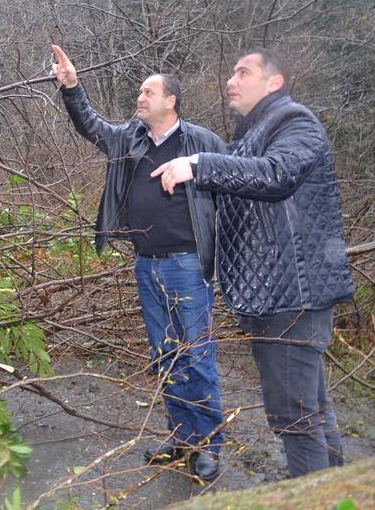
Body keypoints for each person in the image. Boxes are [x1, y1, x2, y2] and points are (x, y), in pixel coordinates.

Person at [152, 48, 353, 478]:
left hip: (291, 297)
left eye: (244, 72)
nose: (231, 80)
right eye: (232, 72)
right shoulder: (253, 133)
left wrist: (199, 163)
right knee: (311, 409)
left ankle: (312, 497)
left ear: (274, 81)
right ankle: (338, 490)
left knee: (295, 420)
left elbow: (275, 175)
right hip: (275, 296)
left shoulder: (295, 122)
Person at [50, 44, 226, 481]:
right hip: (146, 263)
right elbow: (90, 125)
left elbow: (232, 193)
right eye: (140, 92)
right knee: (166, 355)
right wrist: (72, 87)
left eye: (149, 92)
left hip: (188, 264)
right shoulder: (130, 137)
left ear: (171, 101)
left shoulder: (202, 142)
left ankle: (207, 445)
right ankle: (181, 435)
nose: (140, 97)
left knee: (196, 355)